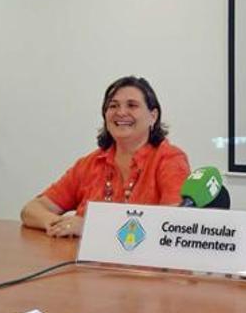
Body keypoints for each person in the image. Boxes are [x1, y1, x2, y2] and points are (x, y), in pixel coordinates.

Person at [20, 76, 190, 237]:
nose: (121, 112)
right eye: (113, 106)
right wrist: (59, 223)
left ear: (153, 116)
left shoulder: (169, 159)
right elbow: (31, 210)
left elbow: (172, 226)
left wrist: (89, 226)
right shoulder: (90, 163)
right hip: (83, 265)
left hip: (143, 266)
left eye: (132, 105)